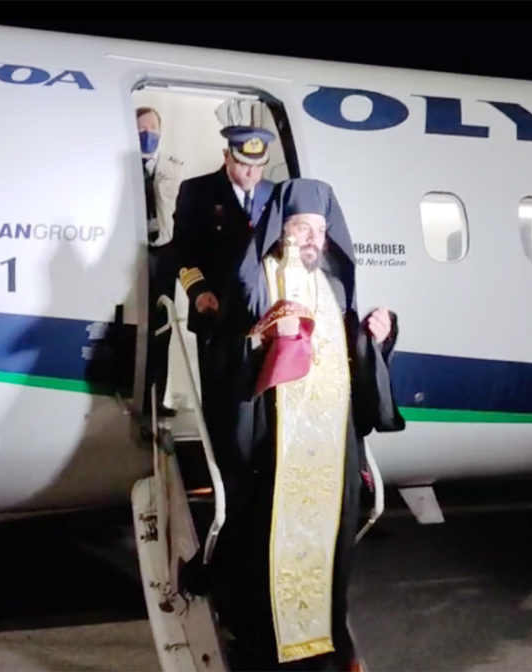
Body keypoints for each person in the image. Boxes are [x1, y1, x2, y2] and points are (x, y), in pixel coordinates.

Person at [201, 178, 406, 671]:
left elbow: (353, 358)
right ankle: (266, 654)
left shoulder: (333, 286)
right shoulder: (258, 278)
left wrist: (378, 337)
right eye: (302, 227)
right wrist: (260, 338)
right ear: (281, 228)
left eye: (320, 229)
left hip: (332, 448)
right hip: (275, 447)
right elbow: (226, 348)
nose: (313, 238)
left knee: (329, 552)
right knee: (266, 551)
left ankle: (327, 647)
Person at [172, 124, 276, 416]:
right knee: (219, 404)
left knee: (259, 404)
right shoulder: (197, 191)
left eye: (258, 165)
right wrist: (198, 292)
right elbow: (183, 250)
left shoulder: (273, 194)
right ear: (226, 156)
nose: (251, 173)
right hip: (215, 312)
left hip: (262, 315)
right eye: (243, 163)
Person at [138, 106, 183, 417]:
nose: (147, 134)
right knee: (135, 327)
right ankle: (136, 398)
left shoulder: (172, 168)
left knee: (162, 326)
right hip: (133, 253)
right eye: (141, 129)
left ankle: (156, 400)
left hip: (164, 253)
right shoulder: (122, 166)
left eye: (152, 128)